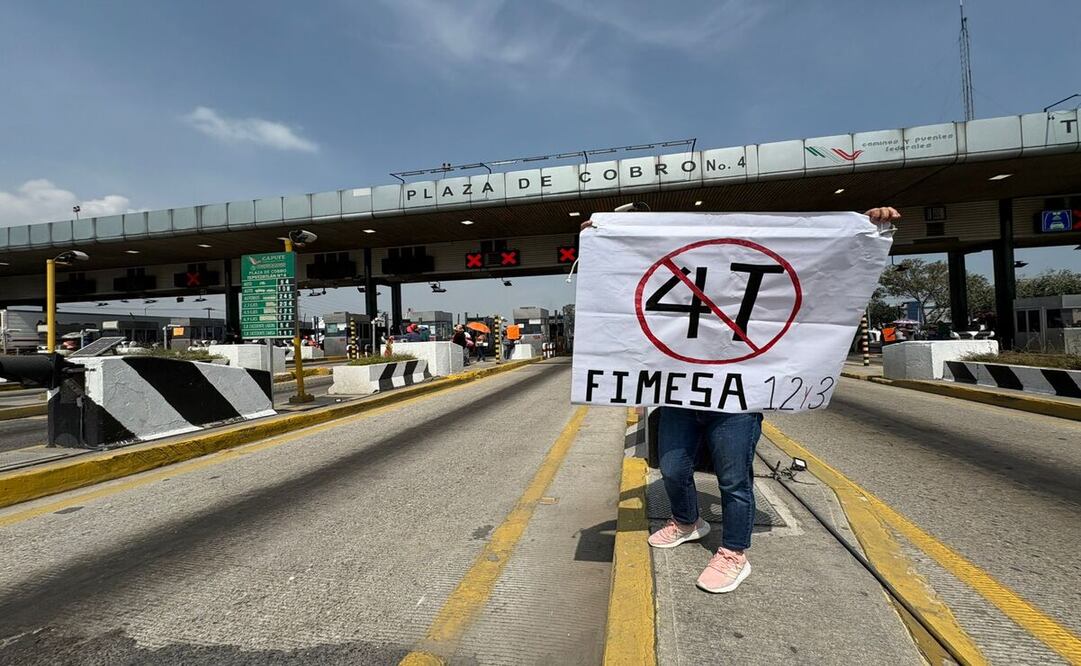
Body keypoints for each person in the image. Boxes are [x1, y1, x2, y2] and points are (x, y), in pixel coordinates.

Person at [583, 206, 901, 594]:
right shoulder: (683, 286)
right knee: (672, 468)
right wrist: (606, 238)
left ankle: (734, 551)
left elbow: (824, 277)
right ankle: (687, 521)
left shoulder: (757, 291)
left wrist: (867, 228)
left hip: (737, 402)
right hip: (681, 395)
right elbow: (628, 290)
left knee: (734, 481)